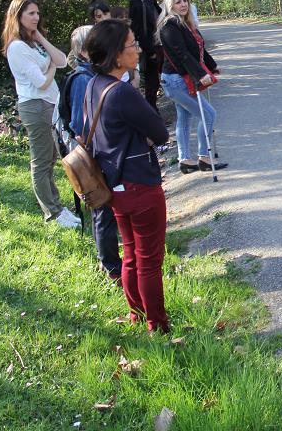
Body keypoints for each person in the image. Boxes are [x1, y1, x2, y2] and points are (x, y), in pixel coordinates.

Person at [85, 19, 171, 332]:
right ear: (116, 55)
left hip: (114, 184)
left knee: (132, 254)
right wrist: (144, 134)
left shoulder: (93, 86)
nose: (137, 49)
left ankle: (136, 313)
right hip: (139, 184)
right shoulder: (122, 92)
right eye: (132, 44)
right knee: (149, 259)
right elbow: (160, 132)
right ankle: (158, 325)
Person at [1, 0, 81, 228]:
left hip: (50, 103)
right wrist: (50, 68)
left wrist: (41, 40)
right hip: (35, 106)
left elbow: (62, 60)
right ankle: (53, 212)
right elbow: (41, 82)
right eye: (30, 14)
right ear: (18, 17)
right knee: (42, 160)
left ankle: (57, 206)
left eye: (37, 13)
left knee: (53, 157)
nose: (36, 17)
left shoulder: (34, 42)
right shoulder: (16, 47)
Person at [64, 25, 121, 282]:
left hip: (99, 150)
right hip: (91, 154)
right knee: (102, 208)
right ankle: (110, 267)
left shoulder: (91, 75)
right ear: (86, 51)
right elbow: (80, 125)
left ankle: (109, 261)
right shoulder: (82, 80)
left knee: (106, 208)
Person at [157, 0, 227, 174]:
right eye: (177, 1)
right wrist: (200, 75)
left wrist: (211, 67)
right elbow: (183, 55)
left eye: (184, 1)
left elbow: (199, 49)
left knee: (184, 118)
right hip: (175, 80)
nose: (182, 4)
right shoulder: (169, 26)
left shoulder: (186, 24)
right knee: (209, 114)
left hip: (179, 79)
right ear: (170, 5)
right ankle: (204, 157)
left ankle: (185, 160)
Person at [129, 0, 162, 110]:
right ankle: (152, 115)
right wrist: (150, 52)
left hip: (156, 46)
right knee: (151, 84)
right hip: (148, 50)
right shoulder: (137, 1)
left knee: (154, 83)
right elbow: (140, 31)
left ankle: (154, 114)